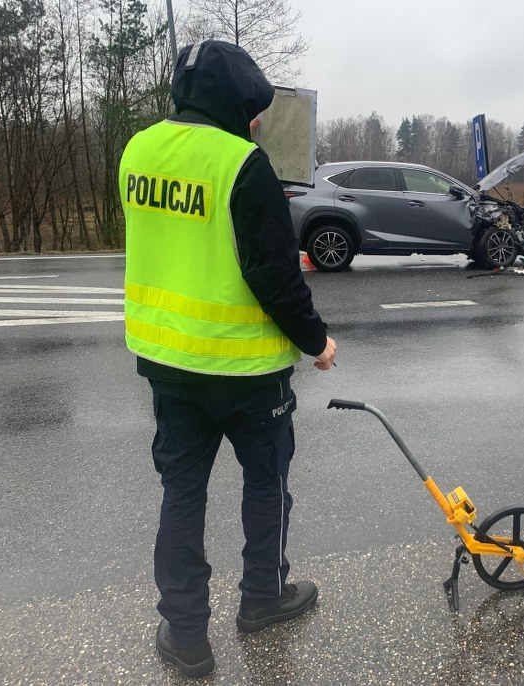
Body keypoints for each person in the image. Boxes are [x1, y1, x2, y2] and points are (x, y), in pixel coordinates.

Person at [119, 39, 336, 678]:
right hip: (246, 373)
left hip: (167, 364)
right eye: (253, 109)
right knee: (266, 486)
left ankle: (186, 635)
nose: (258, 121)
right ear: (234, 106)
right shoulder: (243, 165)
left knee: (181, 492)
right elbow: (274, 276)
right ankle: (262, 600)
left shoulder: (136, 150)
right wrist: (316, 341)